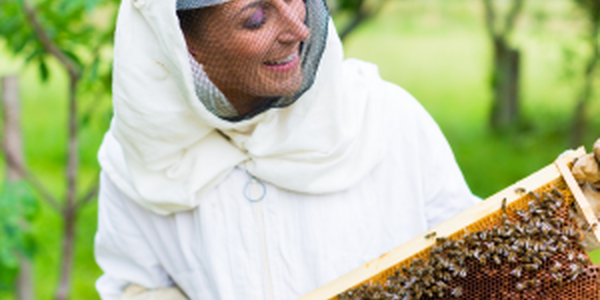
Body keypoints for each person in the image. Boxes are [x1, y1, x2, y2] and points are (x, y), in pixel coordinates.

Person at [93, 0, 600, 297]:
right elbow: (134, 285)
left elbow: (477, 265)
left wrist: (569, 214)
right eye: (255, 18)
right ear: (182, 43)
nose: (297, 29)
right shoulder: (134, 157)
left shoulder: (386, 117)